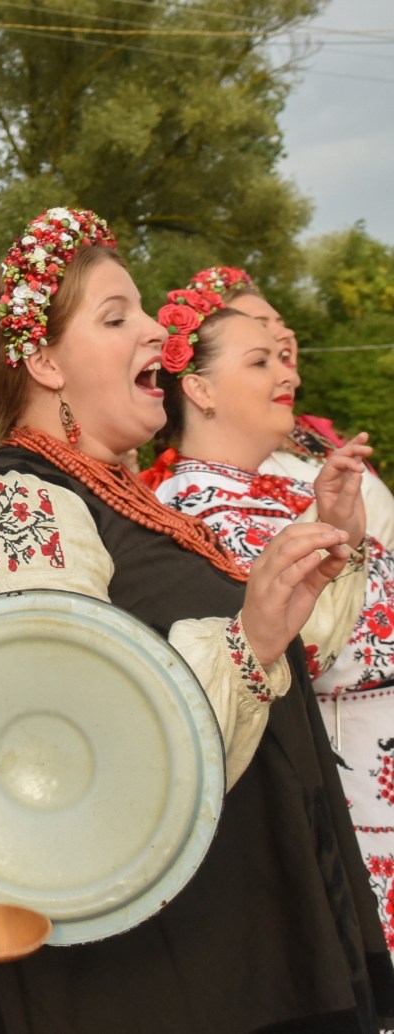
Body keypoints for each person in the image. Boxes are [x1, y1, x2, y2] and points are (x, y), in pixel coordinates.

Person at [0, 206, 394, 1033]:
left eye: (144, 311)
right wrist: (246, 638)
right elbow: (62, 763)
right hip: (151, 987)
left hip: (236, 946)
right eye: (117, 317)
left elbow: (286, 652)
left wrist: (325, 555)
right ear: (43, 361)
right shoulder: (13, 506)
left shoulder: (132, 506)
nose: (157, 336)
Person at [151, 288, 394, 949]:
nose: (288, 373)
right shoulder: (190, 510)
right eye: (260, 362)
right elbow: (304, 647)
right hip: (341, 770)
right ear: (199, 388)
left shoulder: (292, 488)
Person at [188, 265, 394, 551]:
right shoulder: (204, 487)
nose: (284, 332)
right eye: (260, 324)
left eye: (280, 321)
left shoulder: (312, 433)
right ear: (201, 386)